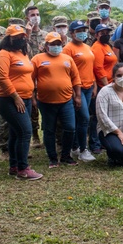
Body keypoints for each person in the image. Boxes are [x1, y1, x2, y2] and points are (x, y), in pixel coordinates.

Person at [0, 25, 43, 180]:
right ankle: (23, 169)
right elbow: (2, 78)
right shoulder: (3, 55)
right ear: (9, 38)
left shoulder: (22, 53)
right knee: (25, 131)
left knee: (16, 132)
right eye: (16, 37)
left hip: (26, 98)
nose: (21, 39)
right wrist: (15, 97)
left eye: (22, 36)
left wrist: (31, 95)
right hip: (9, 99)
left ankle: (14, 166)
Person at [32, 31, 81, 168]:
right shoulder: (37, 59)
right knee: (49, 130)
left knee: (70, 128)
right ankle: (53, 158)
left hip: (66, 101)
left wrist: (77, 96)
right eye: (53, 44)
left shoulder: (67, 59)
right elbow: (30, 80)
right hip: (46, 102)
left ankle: (66, 155)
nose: (56, 46)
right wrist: (32, 98)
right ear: (46, 45)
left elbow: (76, 78)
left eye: (58, 43)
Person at [64, 20, 97, 162]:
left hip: (89, 87)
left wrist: (94, 84)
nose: (82, 32)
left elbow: (90, 67)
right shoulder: (68, 49)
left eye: (83, 29)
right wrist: (75, 94)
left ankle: (75, 146)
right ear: (72, 33)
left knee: (81, 119)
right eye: (78, 30)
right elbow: (66, 73)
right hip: (77, 89)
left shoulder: (87, 47)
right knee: (84, 118)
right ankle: (83, 149)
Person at [90, 23, 118, 153]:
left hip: (111, 83)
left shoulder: (107, 46)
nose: (106, 35)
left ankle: (104, 141)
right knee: (97, 116)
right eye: (102, 33)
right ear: (96, 35)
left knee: (107, 114)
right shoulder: (97, 48)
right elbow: (98, 68)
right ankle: (95, 143)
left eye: (107, 32)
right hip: (103, 85)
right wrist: (107, 85)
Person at [25, 5, 46, 148]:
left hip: (44, 76)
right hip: (28, 76)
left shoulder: (45, 35)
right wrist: (27, 35)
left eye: (37, 14)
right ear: (27, 17)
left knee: (45, 107)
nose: (35, 17)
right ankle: (35, 136)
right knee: (32, 109)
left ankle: (47, 135)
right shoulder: (23, 35)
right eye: (32, 15)